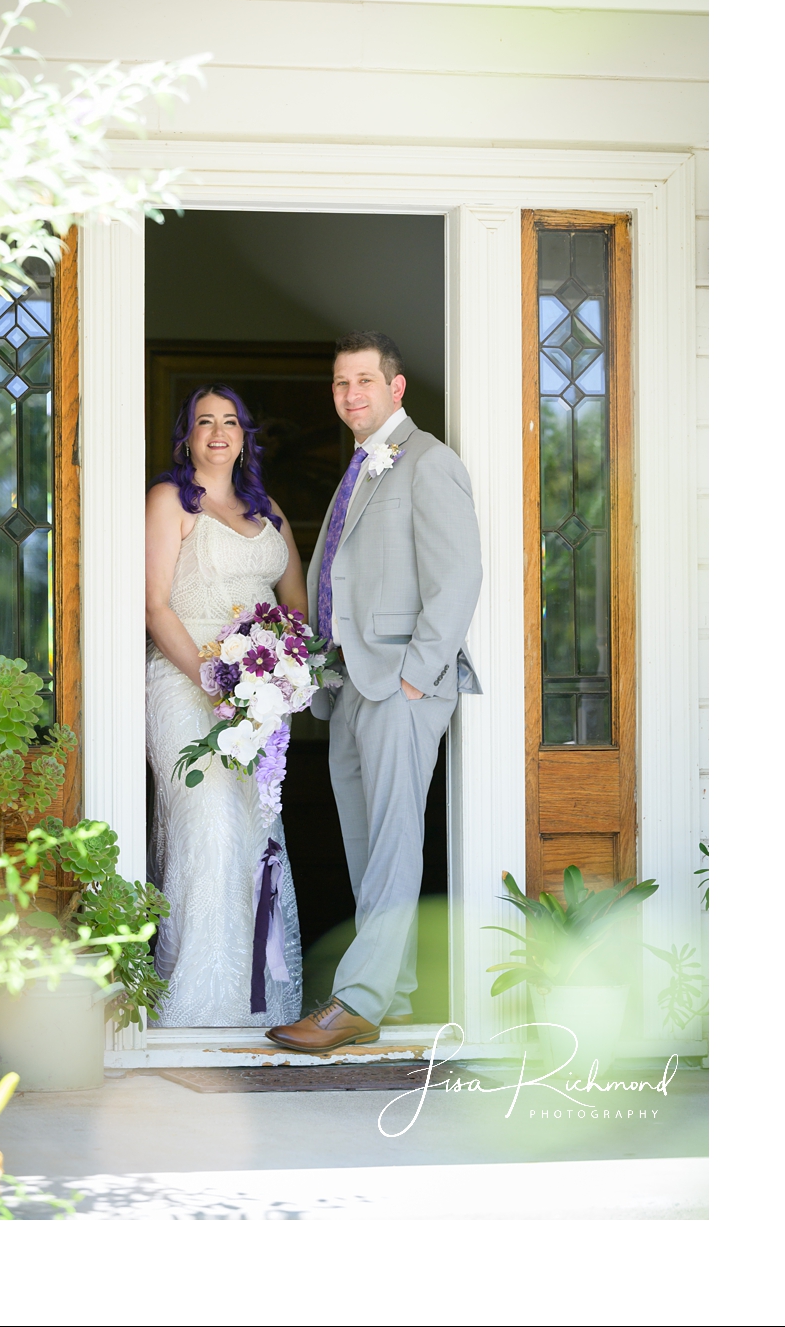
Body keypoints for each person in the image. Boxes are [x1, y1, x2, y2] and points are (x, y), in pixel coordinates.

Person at [265, 332, 482, 1054]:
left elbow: (457, 580)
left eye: (364, 380)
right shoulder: (357, 468)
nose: (350, 394)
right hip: (352, 685)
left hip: (400, 685)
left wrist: (416, 675)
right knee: (366, 843)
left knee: (391, 841)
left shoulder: (429, 462)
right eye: (339, 383)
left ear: (397, 387)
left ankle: (356, 1000)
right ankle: (398, 992)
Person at [145, 386, 309, 1026]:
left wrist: (284, 671)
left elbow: (295, 607)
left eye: (230, 422)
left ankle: (256, 1001)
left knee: (254, 835)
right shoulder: (170, 502)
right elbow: (156, 605)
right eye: (203, 422)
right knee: (208, 828)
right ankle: (200, 1007)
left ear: (245, 436)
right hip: (186, 683)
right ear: (185, 436)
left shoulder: (269, 510)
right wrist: (216, 677)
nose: (218, 432)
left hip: (258, 699)